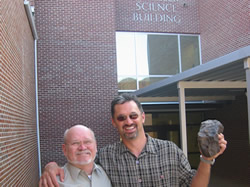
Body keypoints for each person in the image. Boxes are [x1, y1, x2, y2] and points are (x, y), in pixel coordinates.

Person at [39, 93, 227, 187]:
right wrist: (52, 166)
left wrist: (207, 159)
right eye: (121, 118)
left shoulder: (170, 150)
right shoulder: (104, 158)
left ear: (143, 117)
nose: (128, 122)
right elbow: (78, 163)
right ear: (114, 122)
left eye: (133, 116)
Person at [40, 125, 112, 187]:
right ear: (65, 149)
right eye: (75, 143)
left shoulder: (107, 172)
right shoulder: (52, 181)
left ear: (95, 146)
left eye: (87, 142)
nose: (82, 147)